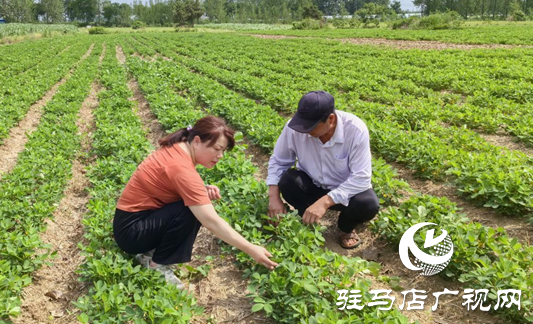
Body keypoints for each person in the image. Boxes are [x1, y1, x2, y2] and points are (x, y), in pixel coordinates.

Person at [113, 116, 278, 289]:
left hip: (130, 222)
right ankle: (156, 265)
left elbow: (171, 183)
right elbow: (211, 221)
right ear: (197, 140)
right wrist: (251, 249)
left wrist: (201, 189)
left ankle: (148, 254)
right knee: (190, 211)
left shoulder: (178, 148)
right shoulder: (181, 168)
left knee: (193, 204)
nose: (220, 156)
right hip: (131, 232)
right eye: (216, 148)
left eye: (223, 151)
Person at [266, 91, 379, 249]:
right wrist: (273, 198)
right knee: (288, 181)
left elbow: (361, 178)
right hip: (311, 185)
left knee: (368, 204)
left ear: (331, 119)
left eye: (311, 127)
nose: (304, 131)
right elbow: (279, 161)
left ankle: (346, 228)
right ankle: (307, 218)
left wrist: (324, 203)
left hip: (342, 193)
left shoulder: (355, 130)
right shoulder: (295, 128)